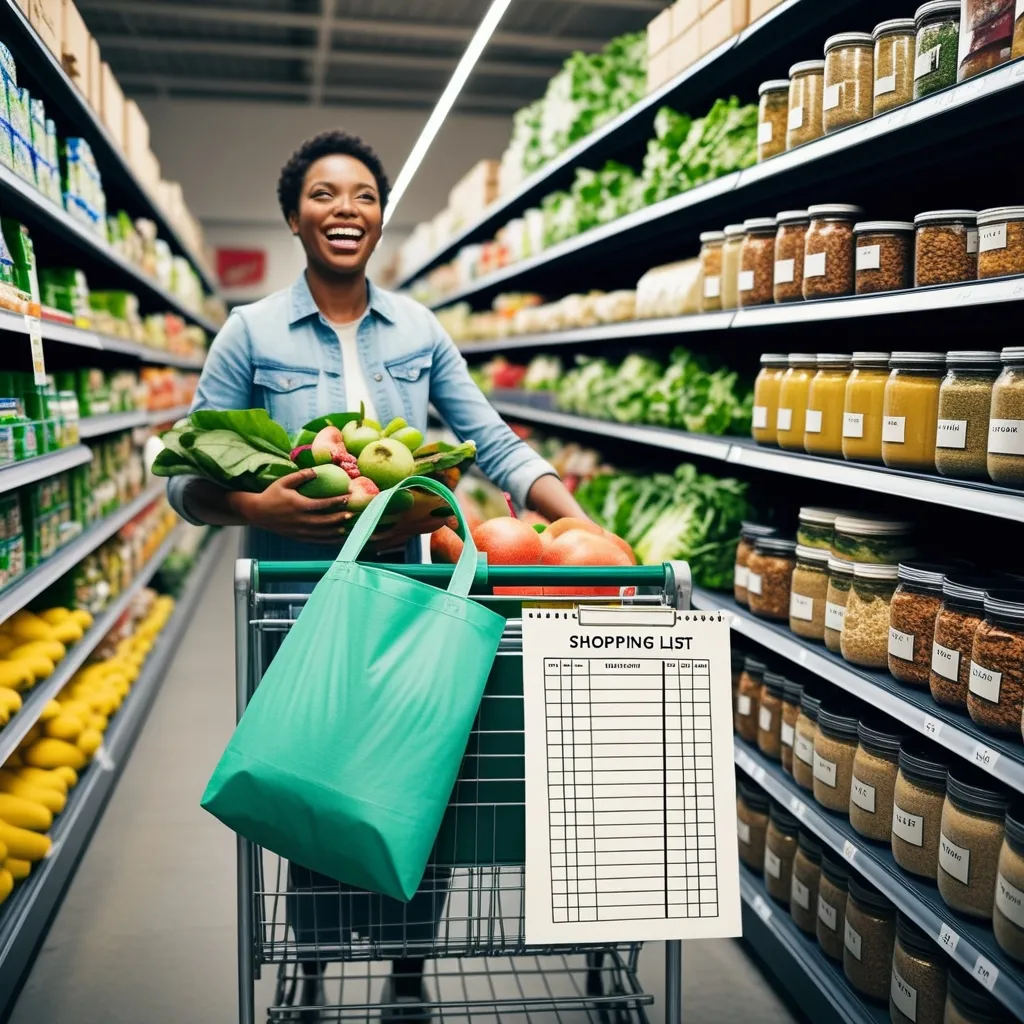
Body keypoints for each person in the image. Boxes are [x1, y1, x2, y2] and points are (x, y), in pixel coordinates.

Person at [166, 130, 588, 1021]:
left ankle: (408, 968)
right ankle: (313, 969)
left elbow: (496, 442)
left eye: (361, 194)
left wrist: (573, 520)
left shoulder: (419, 330)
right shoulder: (250, 334)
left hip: (407, 592)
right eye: (323, 194)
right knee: (310, 784)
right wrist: (258, 510)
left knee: (412, 778)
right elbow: (184, 479)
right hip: (292, 599)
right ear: (294, 216)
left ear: (381, 217)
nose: (344, 209)